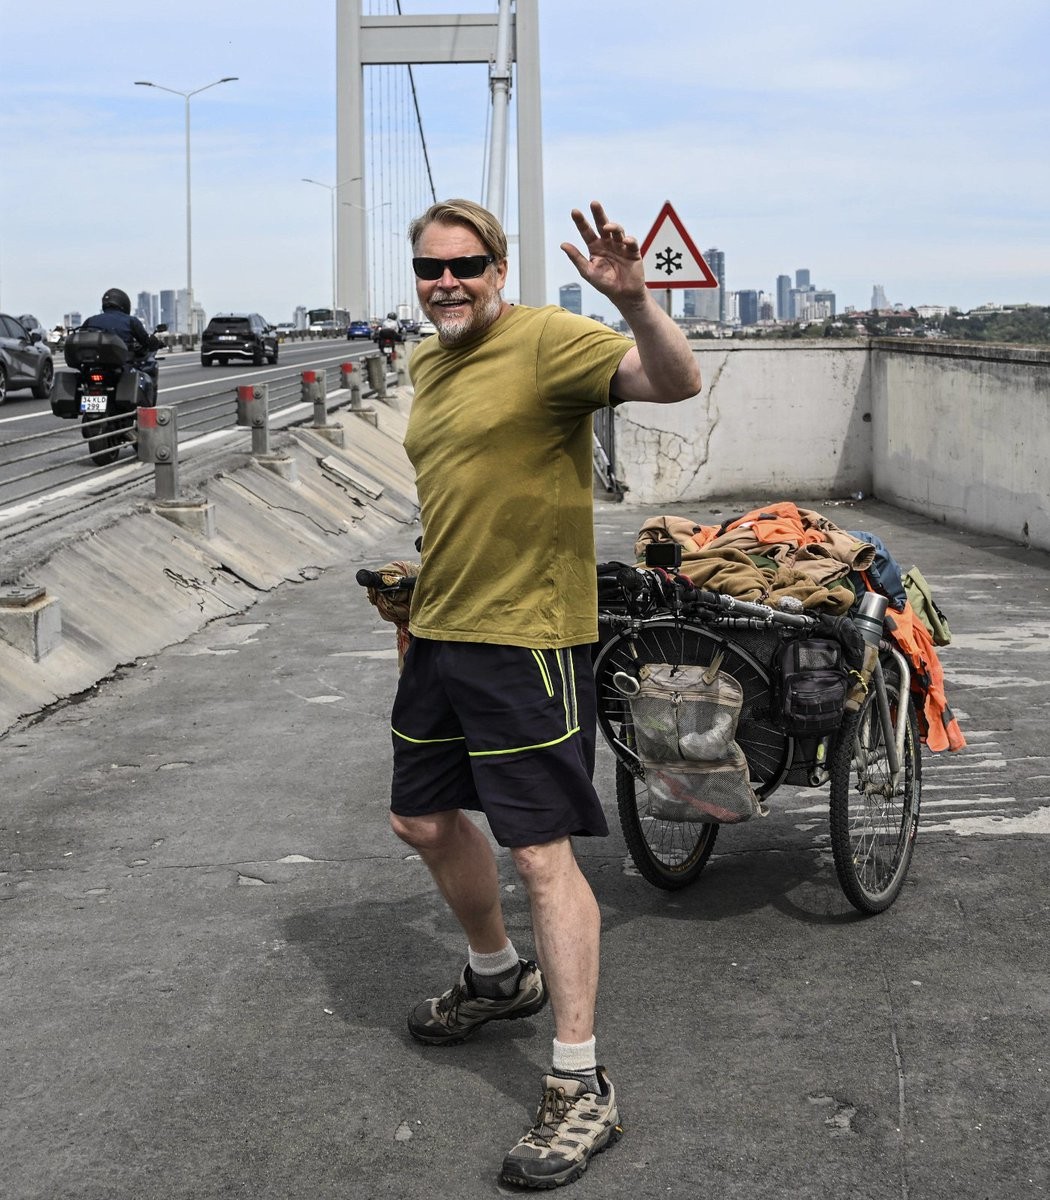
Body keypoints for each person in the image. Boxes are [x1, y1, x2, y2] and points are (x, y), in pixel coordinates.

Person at [387, 198, 700, 1190]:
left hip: (525, 640)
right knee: (422, 822)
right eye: (431, 269)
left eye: (465, 266)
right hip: (439, 631)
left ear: (499, 267)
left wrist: (638, 303)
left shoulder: (546, 344)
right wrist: (413, 601)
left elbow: (674, 382)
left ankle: (581, 1084)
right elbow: (457, 490)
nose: (447, 283)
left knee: (539, 854)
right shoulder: (425, 361)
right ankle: (497, 976)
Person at [81, 288, 164, 397]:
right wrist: (156, 343)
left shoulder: (90, 320)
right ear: (124, 303)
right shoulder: (130, 320)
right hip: (121, 366)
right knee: (141, 375)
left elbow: (81, 337)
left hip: (92, 366)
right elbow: (145, 341)